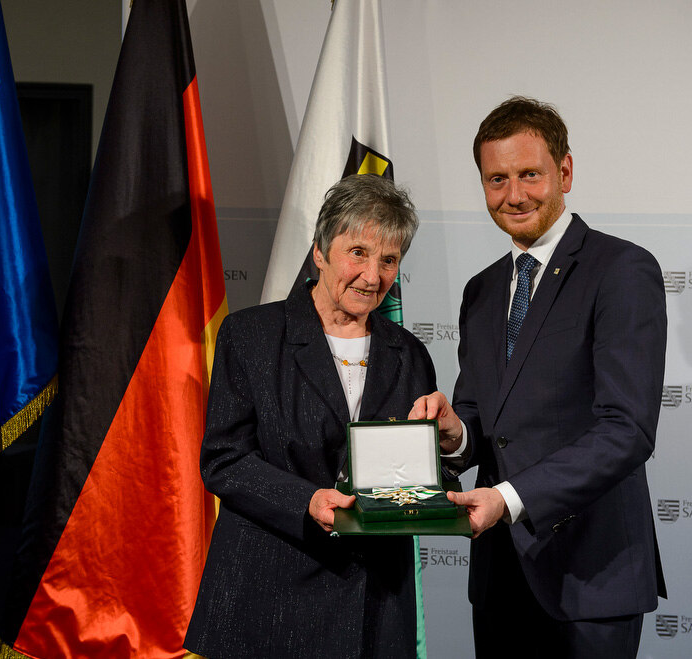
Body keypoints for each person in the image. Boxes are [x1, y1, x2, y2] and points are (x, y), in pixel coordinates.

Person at [410, 96, 667, 658]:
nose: (514, 195)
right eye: (496, 179)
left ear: (565, 171)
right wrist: (457, 433)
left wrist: (509, 496)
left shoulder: (621, 270)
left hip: (590, 577)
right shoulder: (481, 290)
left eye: (530, 174)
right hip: (501, 578)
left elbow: (627, 429)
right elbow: (482, 414)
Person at [184, 174, 436, 658]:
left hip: (375, 605)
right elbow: (224, 459)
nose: (371, 275)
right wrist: (307, 500)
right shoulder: (252, 335)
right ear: (319, 251)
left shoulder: (409, 353)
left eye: (388, 260)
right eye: (357, 252)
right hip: (269, 595)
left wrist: (448, 445)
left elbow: (420, 471)